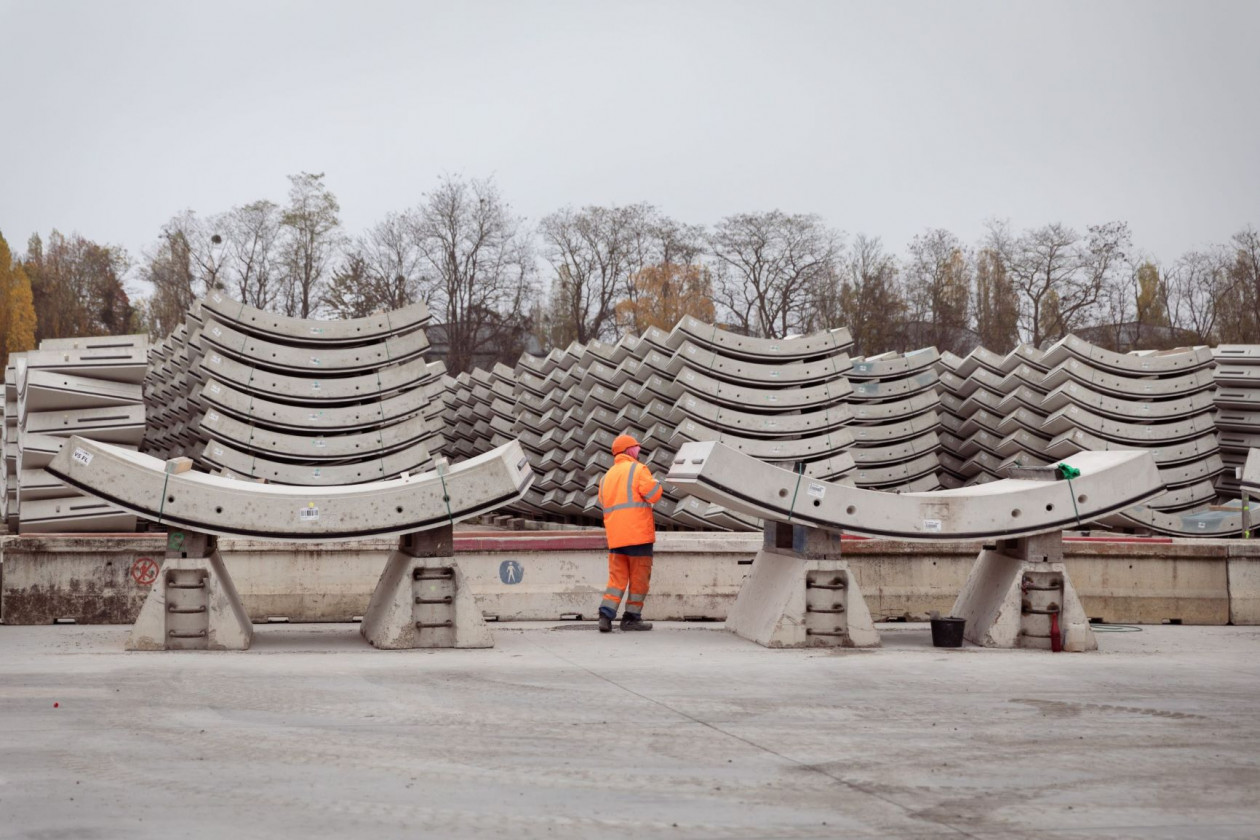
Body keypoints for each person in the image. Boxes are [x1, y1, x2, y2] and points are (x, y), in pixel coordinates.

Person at [596, 433, 664, 632]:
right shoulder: (639, 469)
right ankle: (631, 618)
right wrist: (657, 483)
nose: (639, 452)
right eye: (637, 448)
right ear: (629, 450)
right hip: (638, 537)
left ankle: (605, 616)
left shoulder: (606, 477)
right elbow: (653, 495)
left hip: (616, 539)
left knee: (616, 581)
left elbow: (603, 502)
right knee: (639, 580)